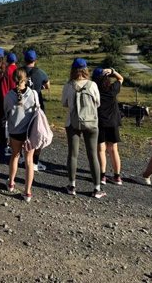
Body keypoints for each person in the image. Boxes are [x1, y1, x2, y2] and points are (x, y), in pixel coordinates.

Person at [61, 58, 105, 198]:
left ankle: (72, 185)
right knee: (93, 155)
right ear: (86, 70)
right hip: (91, 123)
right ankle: (96, 188)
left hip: (72, 123)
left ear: (73, 70)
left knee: (73, 154)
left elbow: (64, 103)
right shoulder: (92, 85)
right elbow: (97, 103)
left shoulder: (68, 85)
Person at [4, 68, 39, 202]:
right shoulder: (33, 94)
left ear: (14, 79)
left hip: (15, 130)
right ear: (26, 79)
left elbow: (6, 112)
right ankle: (27, 191)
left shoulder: (8, 95)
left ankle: (11, 183)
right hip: (30, 132)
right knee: (29, 161)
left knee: (15, 155)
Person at [92, 66, 125, 185]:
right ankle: (117, 176)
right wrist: (113, 72)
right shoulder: (112, 89)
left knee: (101, 149)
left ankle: (102, 176)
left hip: (100, 121)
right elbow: (121, 79)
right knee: (113, 149)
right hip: (113, 122)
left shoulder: (94, 90)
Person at [23, 49, 50, 172]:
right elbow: (47, 85)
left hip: (23, 106)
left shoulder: (20, 71)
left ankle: (24, 157)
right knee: (38, 132)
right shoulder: (41, 73)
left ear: (24, 59)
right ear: (35, 60)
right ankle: (34, 161)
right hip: (37, 105)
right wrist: (41, 87)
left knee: (24, 132)